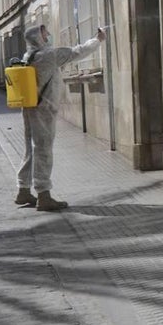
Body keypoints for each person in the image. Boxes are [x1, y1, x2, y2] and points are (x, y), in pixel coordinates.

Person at [14, 23, 105, 211]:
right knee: (43, 149)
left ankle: (23, 189)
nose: (48, 35)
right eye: (45, 33)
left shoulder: (28, 55)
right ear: (38, 37)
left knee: (30, 149)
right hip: (44, 109)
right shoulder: (48, 55)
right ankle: (44, 195)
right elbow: (76, 52)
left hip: (29, 107)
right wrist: (98, 40)